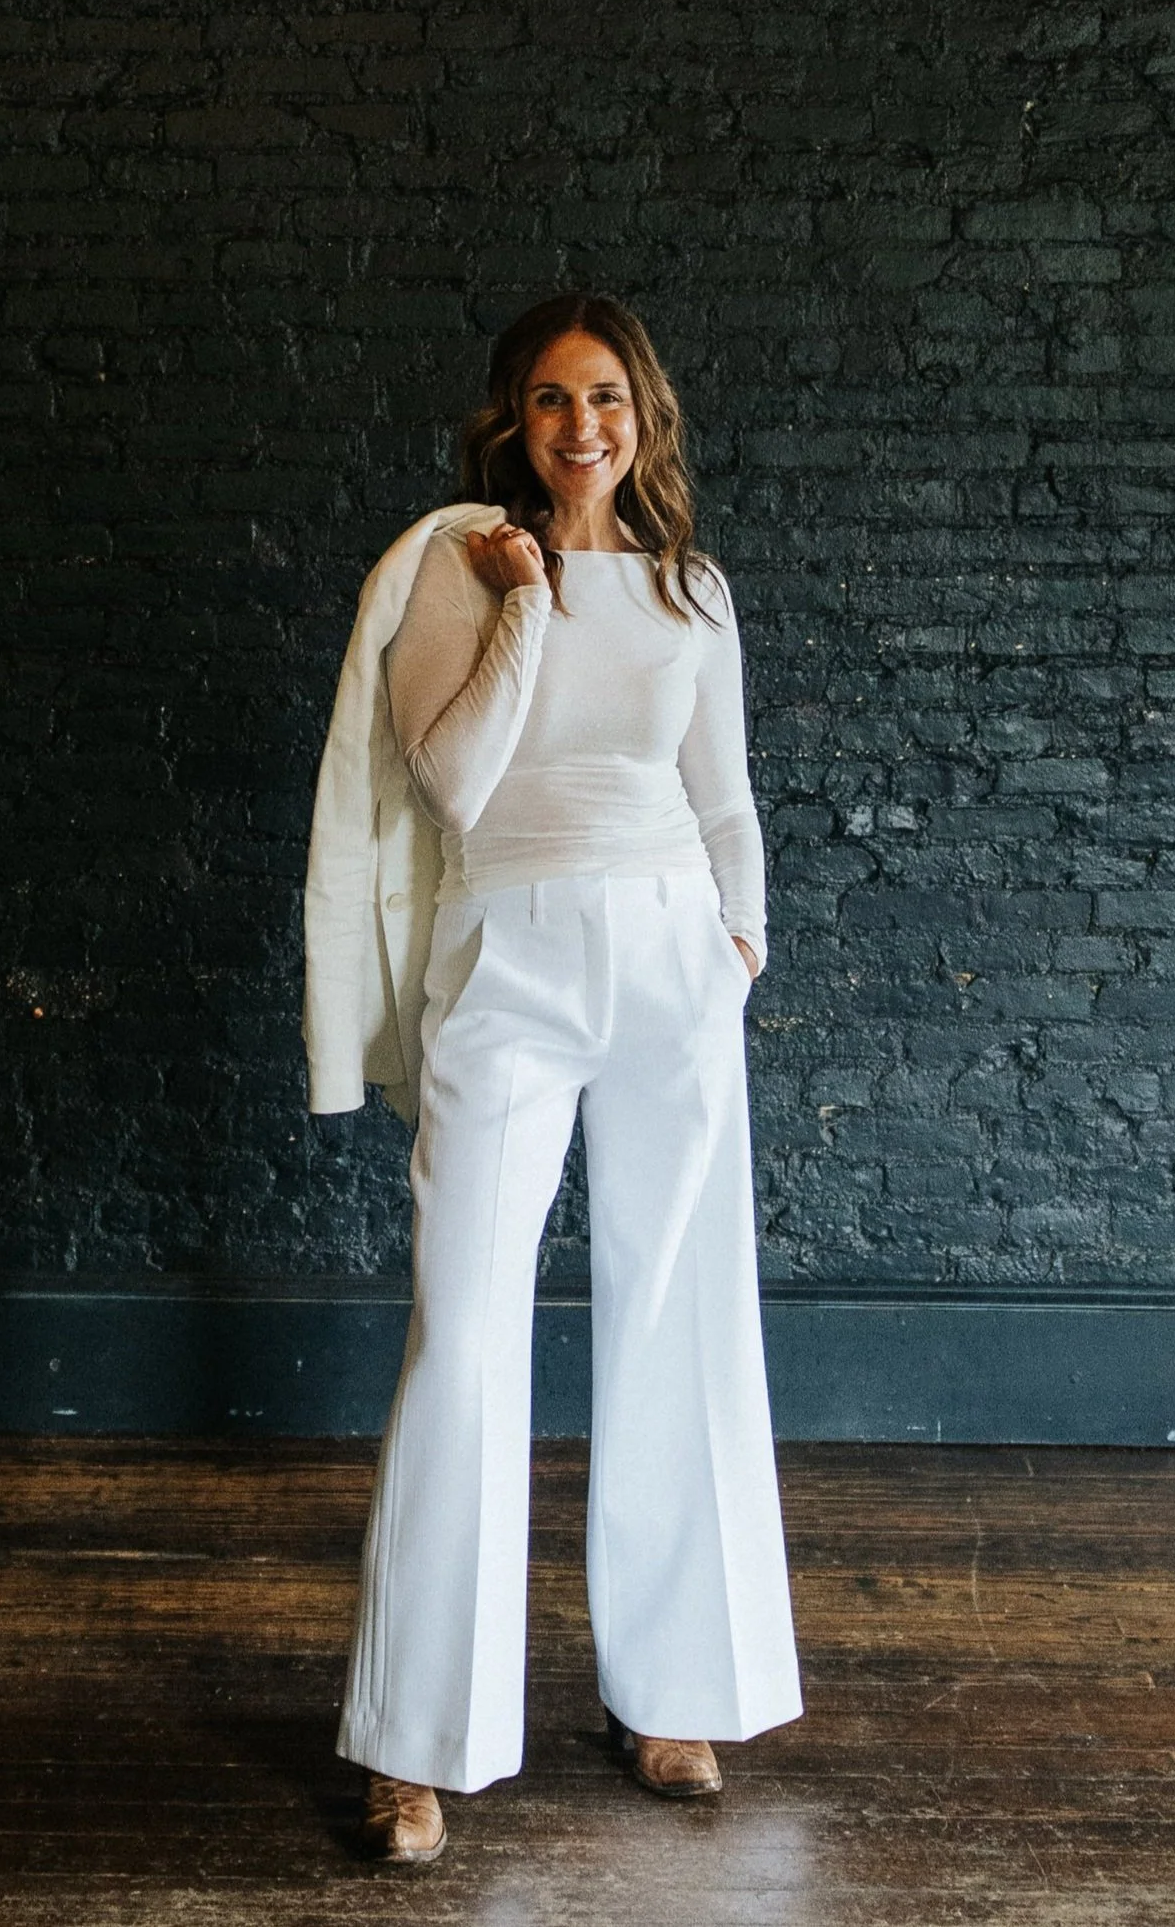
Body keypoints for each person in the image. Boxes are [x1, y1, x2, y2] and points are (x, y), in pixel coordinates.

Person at [302, 293, 801, 1869]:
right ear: (510, 425)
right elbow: (450, 779)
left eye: (604, 399)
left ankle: (672, 1694)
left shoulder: (690, 587)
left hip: (670, 962)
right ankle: (413, 1747)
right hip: (508, 956)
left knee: (678, 1313)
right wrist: (521, 602)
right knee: (465, 1332)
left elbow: (723, 797)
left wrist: (739, 946)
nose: (579, 427)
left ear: (640, 415)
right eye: (546, 403)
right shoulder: (455, 563)